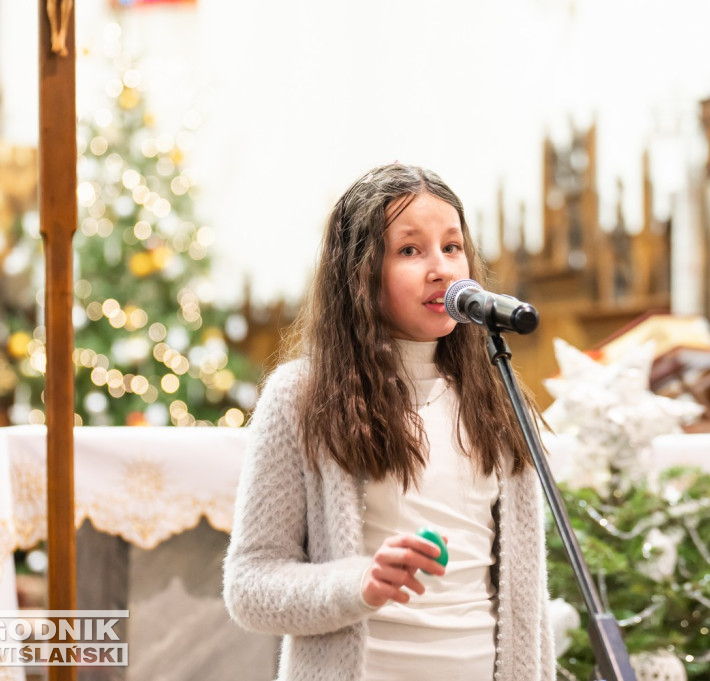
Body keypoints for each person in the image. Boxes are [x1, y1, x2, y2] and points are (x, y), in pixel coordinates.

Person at [223, 163, 555, 681]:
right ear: (359, 273)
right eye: (410, 250)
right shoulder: (300, 397)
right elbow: (250, 585)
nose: (441, 269)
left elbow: (528, 604)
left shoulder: (499, 398)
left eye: (452, 246)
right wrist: (360, 583)